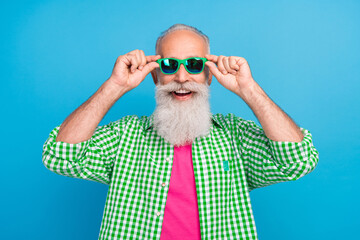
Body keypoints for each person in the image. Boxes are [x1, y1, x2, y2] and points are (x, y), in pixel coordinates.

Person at [42, 24, 319, 240]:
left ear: (209, 75)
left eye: (195, 65)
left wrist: (248, 89)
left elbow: (297, 161)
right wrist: (115, 85)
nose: (182, 77)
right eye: (170, 65)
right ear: (156, 74)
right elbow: (60, 156)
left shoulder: (233, 136)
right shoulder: (125, 136)